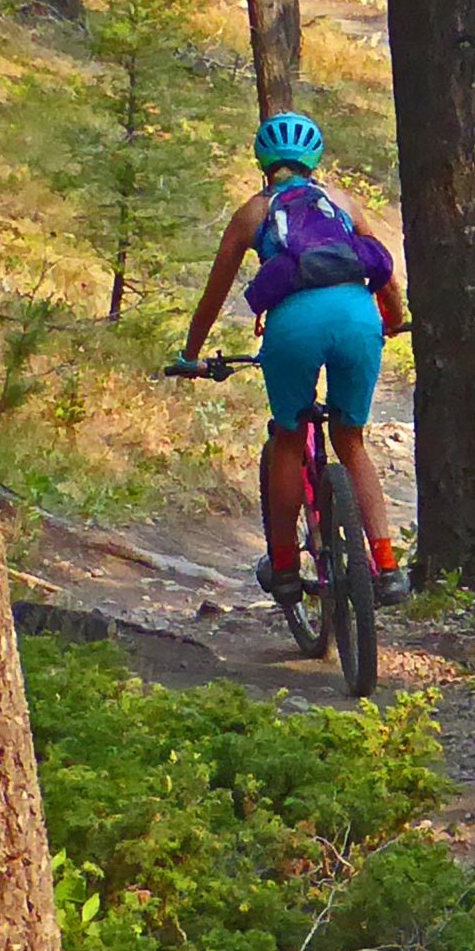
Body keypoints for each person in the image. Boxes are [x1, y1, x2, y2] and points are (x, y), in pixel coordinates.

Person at [171, 112, 411, 605]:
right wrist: (392, 319)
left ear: (262, 160)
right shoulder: (341, 202)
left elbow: (215, 294)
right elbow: (383, 273)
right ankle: (386, 567)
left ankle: (284, 569)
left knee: (288, 435)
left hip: (293, 327)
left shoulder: (253, 214)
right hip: (357, 319)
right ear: (315, 160)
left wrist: (191, 356)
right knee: (350, 439)